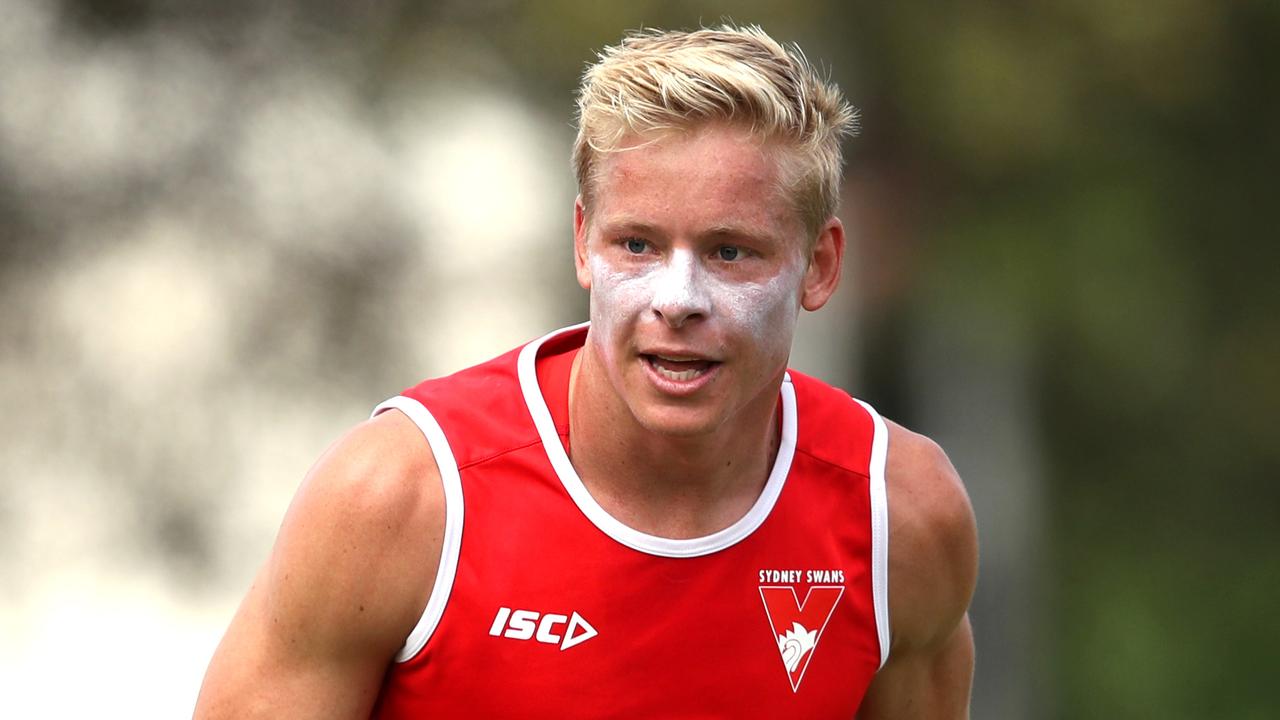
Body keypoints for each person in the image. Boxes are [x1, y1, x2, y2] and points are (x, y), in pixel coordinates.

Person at [195, 24, 977, 719]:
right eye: (636, 245)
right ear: (582, 243)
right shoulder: (402, 499)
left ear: (820, 265)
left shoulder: (900, 520)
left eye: (729, 251)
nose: (678, 300)